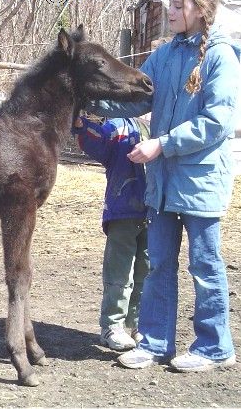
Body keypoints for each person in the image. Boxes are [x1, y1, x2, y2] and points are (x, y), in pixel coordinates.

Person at [82, 0, 241, 372]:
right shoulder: (166, 55)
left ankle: (214, 346)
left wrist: (161, 144)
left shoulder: (221, 55)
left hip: (200, 179)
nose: (168, 12)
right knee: (159, 264)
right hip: (163, 183)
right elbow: (136, 99)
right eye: (168, 4)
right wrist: (91, 105)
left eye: (177, 6)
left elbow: (216, 122)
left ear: (199, 9)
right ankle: (155, 342)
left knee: (204, 266)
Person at [72, 116, 150, 351]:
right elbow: (99, 143)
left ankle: (140, 324)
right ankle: (112, 325)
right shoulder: (120, 125)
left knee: (148, 270)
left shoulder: (164, 122)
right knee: (119, 270)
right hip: (123, 209)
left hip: (157, 212)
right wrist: (81, 125)